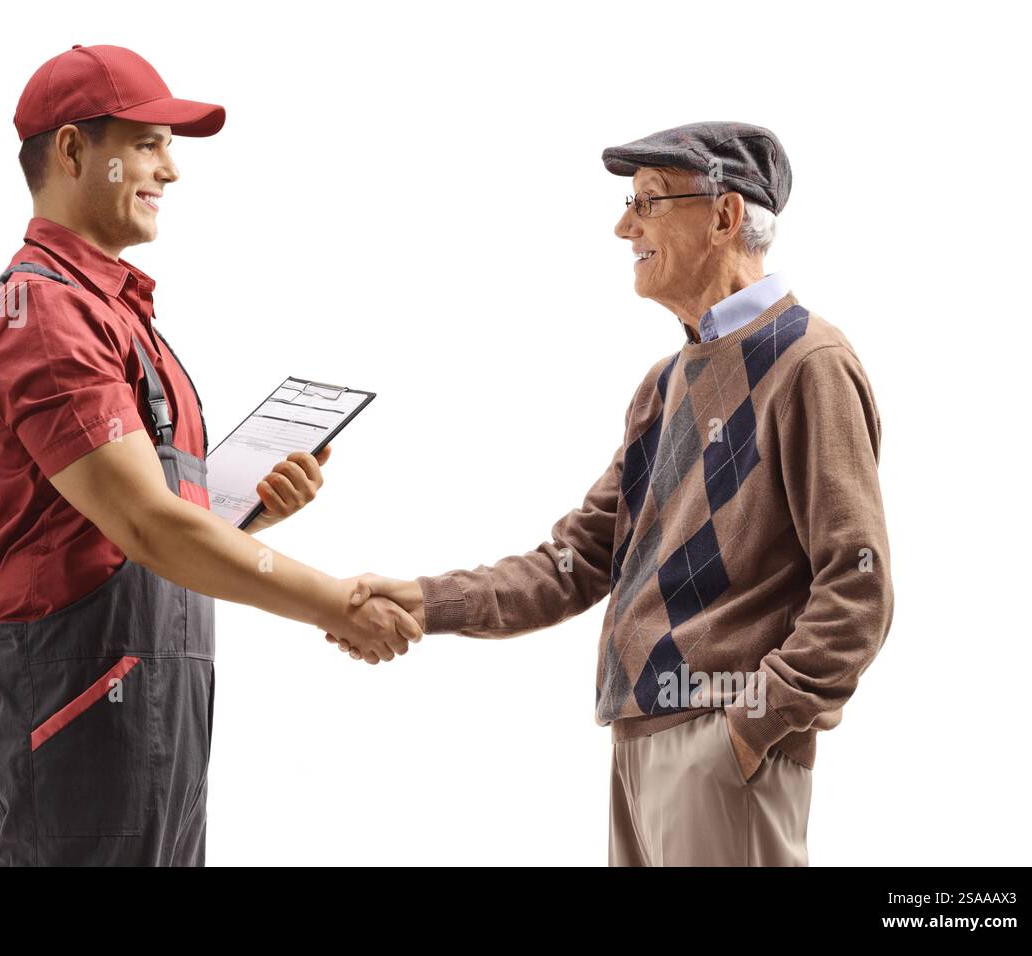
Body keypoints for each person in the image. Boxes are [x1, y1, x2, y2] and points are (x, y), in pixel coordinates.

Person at [329, 122, 894, 866]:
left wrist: (749, 729)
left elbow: (858, 585)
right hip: (640, 745)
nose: (624, 225)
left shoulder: (808, 362)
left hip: (720, 748)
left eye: (650, 201)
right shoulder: (664, 385)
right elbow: (577, 561)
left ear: (725, 216)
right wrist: (426, 602)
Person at [0, 44, 420, 867]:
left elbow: (131, 519)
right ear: (72, 151)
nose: (171, 170)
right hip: (78, 711)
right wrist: (334, 603)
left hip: (151, 702)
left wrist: (242, 507)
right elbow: (147, 525)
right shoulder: (45, 316)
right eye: (147, 143)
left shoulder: (118, 316)